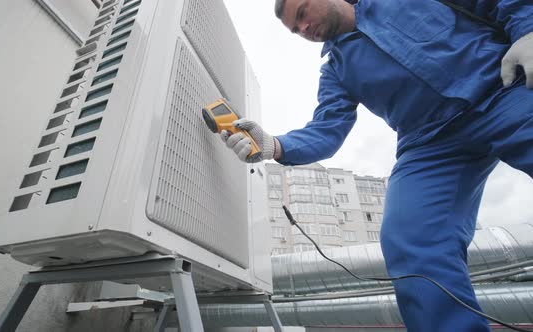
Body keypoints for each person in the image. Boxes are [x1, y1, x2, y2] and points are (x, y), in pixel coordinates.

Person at [221, 0, 533, 331]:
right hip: (430, 144)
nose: (303, 29)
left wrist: (528, 31)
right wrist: (273, 144)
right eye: (295, 30)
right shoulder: (337, 69)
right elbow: (327, 129)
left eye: (302, 14)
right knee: (409, 238)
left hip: (501, 90)